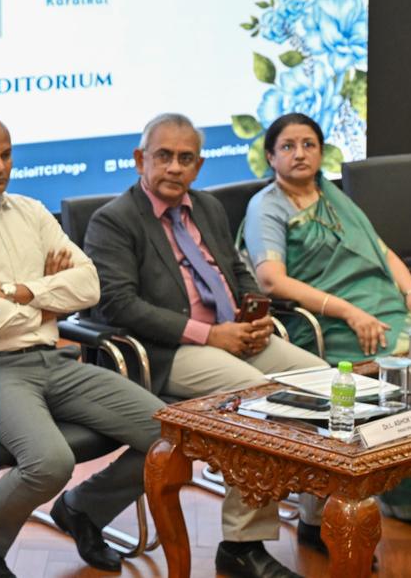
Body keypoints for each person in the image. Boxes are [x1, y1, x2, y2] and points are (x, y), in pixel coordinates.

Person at [0, 111, 162, 576]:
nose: (0, 166)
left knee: (169, 435)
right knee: (49, 461)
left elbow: (89, 286)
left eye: (6, 155)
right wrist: (47, 299)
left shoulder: (29, 211)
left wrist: (15, 291)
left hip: (55, 359)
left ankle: (84, 509)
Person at [85, 113, 326, 578]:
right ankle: (241, 545)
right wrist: (210, 334)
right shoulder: (113, 220)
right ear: (140, 160)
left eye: (185, 158)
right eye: (164, 156)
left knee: (320, 381)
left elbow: (237, 272)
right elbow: (118, 306)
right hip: (168, 351)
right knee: (261, 401)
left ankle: (316, 518)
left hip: (234, 337)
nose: (174, 168)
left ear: (198, 166)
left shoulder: (209, 207)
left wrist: (256, 316)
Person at [243, 111, 411, 527]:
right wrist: (350, 312)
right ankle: (408, 497)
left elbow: (382, 249)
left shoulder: (333, 197)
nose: (300, 154)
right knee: (405, 368)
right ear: (271, 156)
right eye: (288, 146)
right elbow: (270, 279)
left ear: (321, 152)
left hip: (385, 309)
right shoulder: (267, 207)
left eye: (309, 145)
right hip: (327, 322)